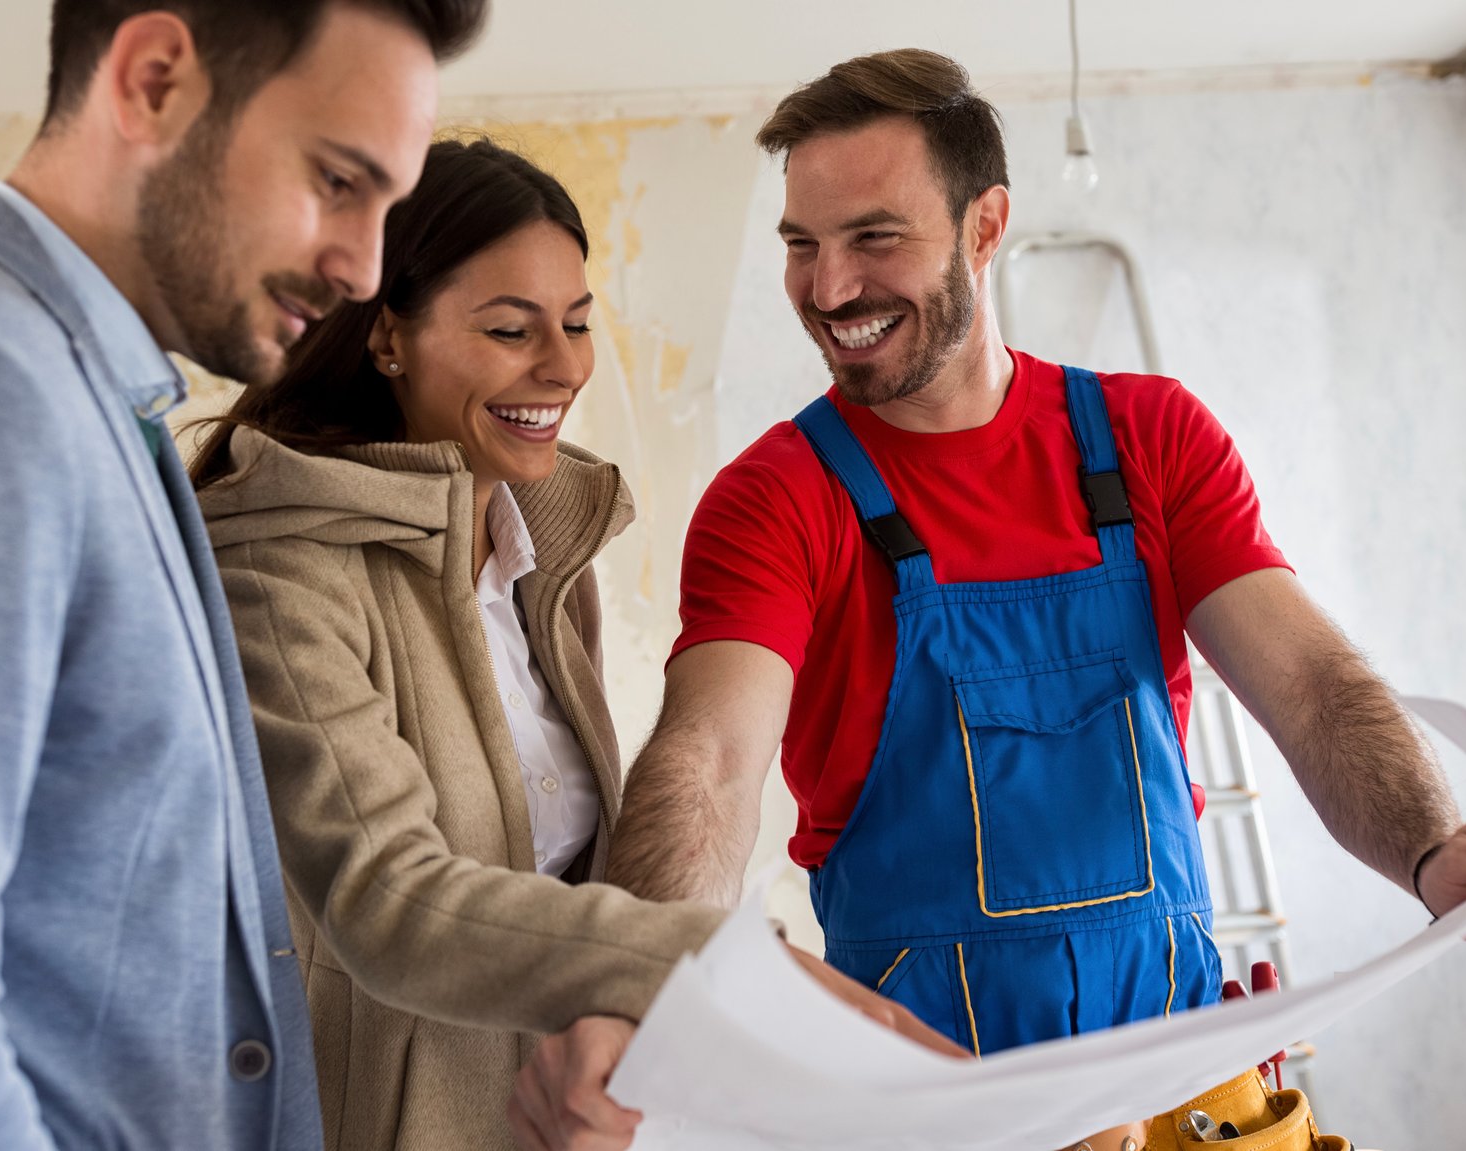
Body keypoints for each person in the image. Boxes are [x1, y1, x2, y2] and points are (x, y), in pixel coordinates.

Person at [512, 48, 1466, 1148]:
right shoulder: (778, 497)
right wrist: (636, 989)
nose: (827, 290)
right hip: (933, 1121)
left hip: (1188, 1107)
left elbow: (1311, 687)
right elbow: (708, 757)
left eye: (873, 238)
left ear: (984, 227)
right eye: (801, 245)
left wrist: (1430, 849)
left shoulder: (1149, 440)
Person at [0, 1, 485, 1146]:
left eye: (386, 207)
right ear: (154, 80)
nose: (360, 269)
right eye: (336, 180)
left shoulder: (91, 397)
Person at [189, 137, 958, 1151]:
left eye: (579, 323)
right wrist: (702, 959)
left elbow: (559, 885)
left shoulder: (541, 556)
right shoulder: (279, 577)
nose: (563, 366)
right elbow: (387, 900)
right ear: (387, 339)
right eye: (511, 329)